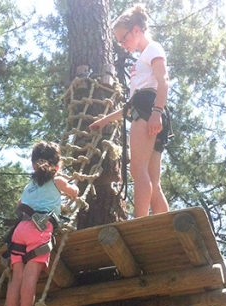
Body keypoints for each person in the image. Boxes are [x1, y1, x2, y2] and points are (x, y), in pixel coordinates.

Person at [90, 4, 170, 218]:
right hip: (149, 110)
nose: (122, 44)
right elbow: (131, 104)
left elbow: (163, 81)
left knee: (137, 170)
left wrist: (156, 111)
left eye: (123, 38)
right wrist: (105, 120)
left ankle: (140, 222)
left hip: (149, 110)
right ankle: (166, 224)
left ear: (136, 30)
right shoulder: (145, 55)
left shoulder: (152, 49)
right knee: (153, 179)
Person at [0, 141, 79, 306]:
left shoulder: (28, 186)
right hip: (40, 231)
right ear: (57, 165)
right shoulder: (58, 180)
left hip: (20, 230)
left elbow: (19, 205)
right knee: (30, 278)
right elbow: (74, 193)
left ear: (33, 166)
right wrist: (72, 183)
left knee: (16, 279)